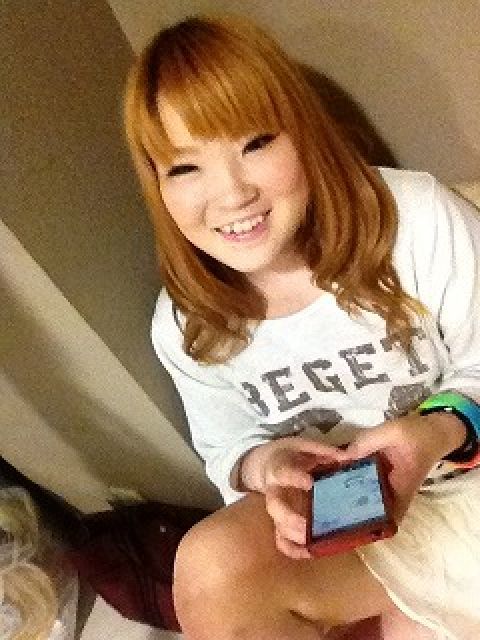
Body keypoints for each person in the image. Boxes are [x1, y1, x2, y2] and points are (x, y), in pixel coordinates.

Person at [124, 15, 480, 640]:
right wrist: (268, 465)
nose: (231, 195)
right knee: (206, 569)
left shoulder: (417, 220)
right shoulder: (186, 322)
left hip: (465, 487)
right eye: (184, 168)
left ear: (303, 133)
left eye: (255, 143)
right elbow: (227, 449)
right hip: (359, 532)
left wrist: (434, 433)